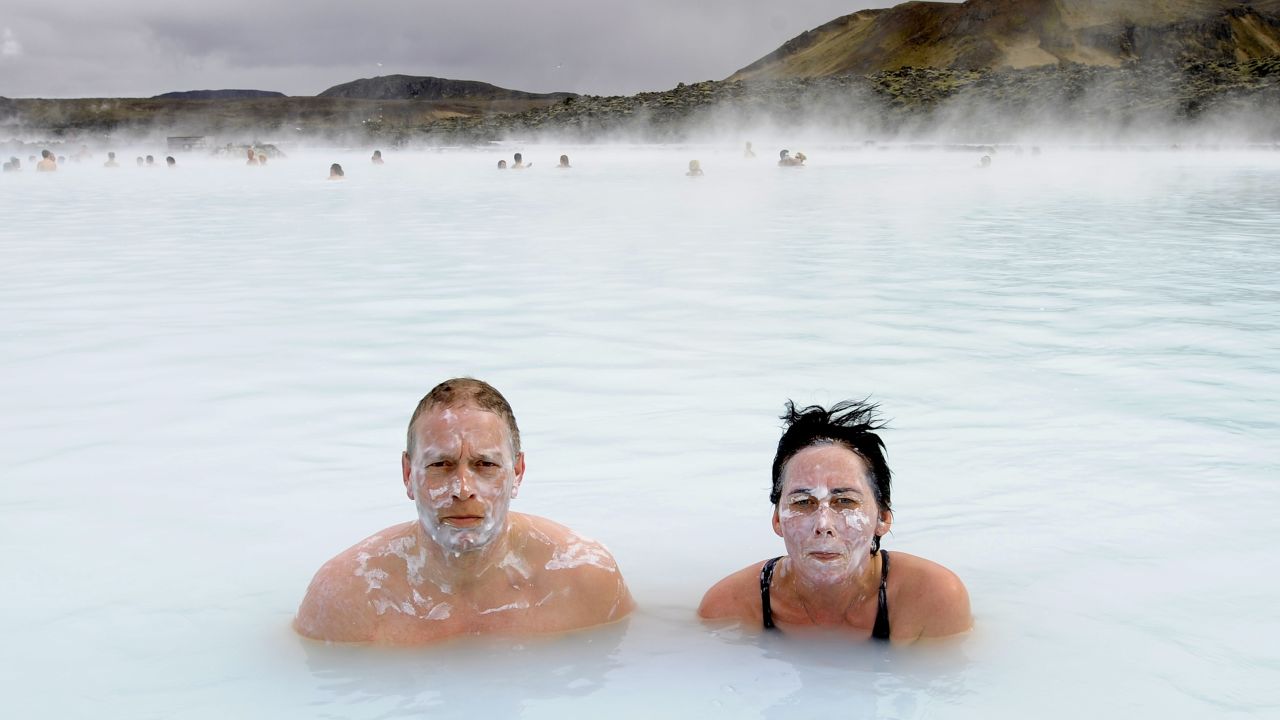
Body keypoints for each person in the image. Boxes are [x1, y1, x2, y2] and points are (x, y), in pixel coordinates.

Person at [294, 378, 634, 644]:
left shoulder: (584, 580)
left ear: (517, 473)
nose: (462, 489)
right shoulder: (348, 596)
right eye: (441, 464)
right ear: (408, 474)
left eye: (484, 464)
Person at [699, 400, 970, 642]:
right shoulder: (731, 608)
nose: (823, 524)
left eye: (845, 502)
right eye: (803, 503)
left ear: (883, 518)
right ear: (777, 520)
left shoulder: (931, 599)